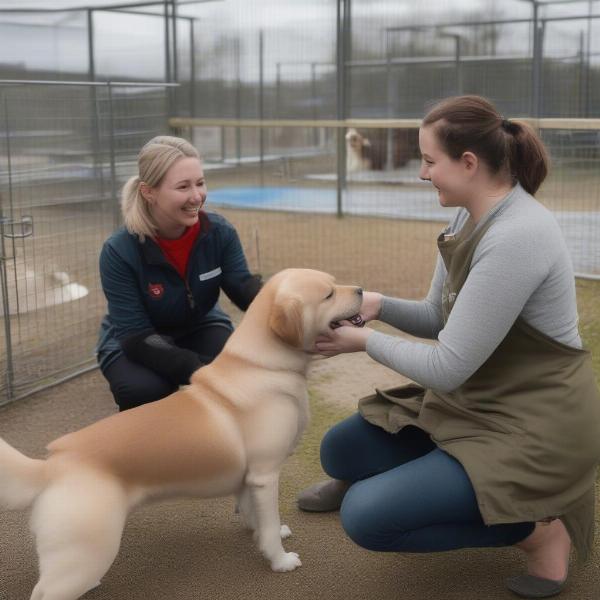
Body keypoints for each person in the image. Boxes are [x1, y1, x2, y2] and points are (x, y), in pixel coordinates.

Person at [297, 95, 600, 598]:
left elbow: (448, 367)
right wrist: (377, 303)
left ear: (468, 163)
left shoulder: (517, 235)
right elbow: (439, 318)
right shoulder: (466, 214)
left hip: (531, 421)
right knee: (339, 452)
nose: (421, 173)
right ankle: (429, 484)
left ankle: (541, 530)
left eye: (429, 161)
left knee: (366, 518)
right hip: (476, 398)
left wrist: (363, 340)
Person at [96, 135, 261, 411]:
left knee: (237, 372)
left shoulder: (219, 233)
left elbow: (243, 287)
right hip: (138, 338)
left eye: (200, 183)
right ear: (149, 192)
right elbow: (136, 336)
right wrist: (198, 369)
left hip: (200, 323)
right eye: (183, 186)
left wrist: (292, 306)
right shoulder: (118, 250)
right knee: (145, 389)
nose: (196, 196)